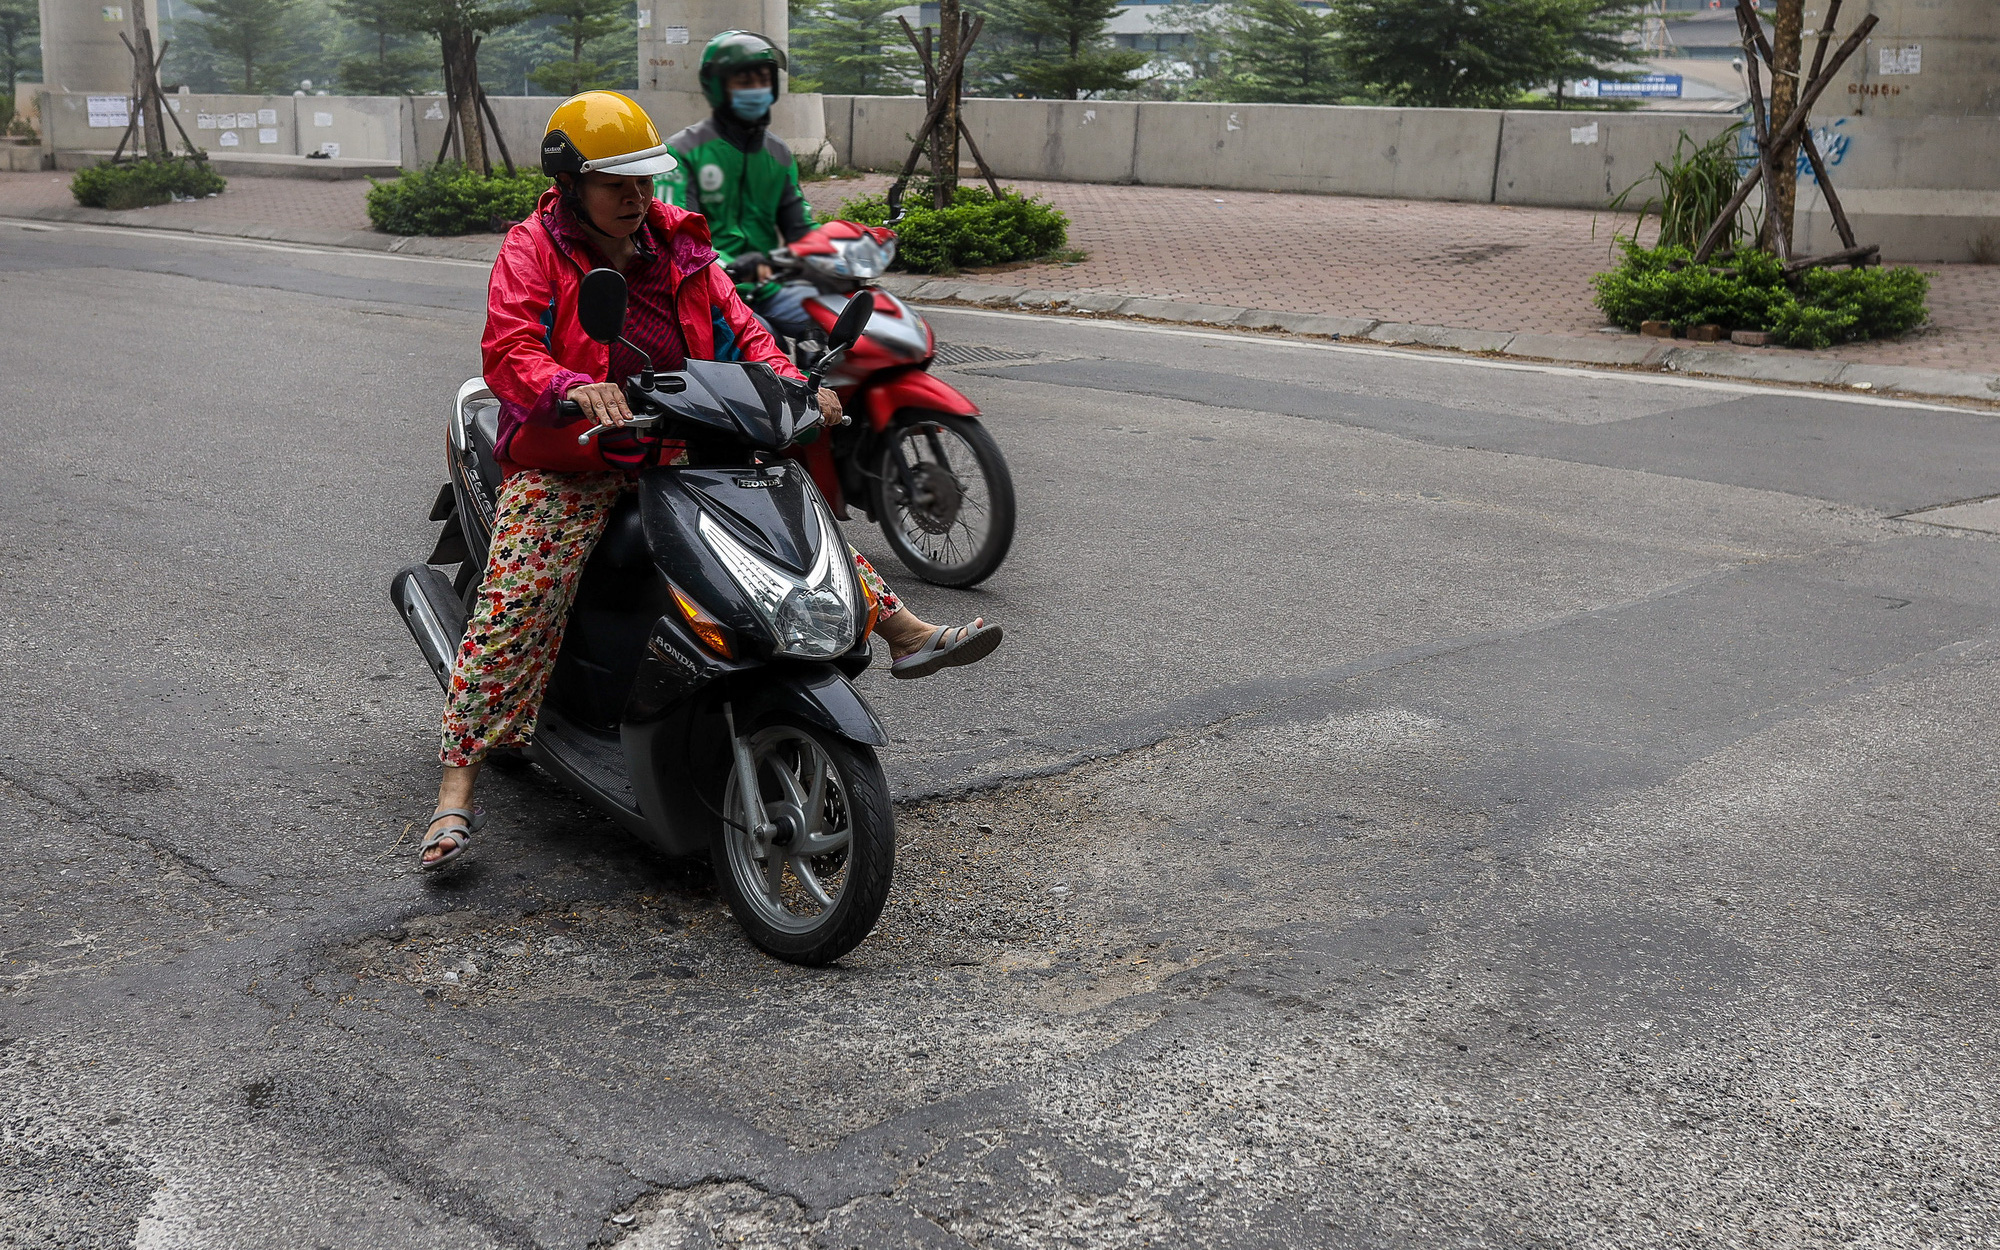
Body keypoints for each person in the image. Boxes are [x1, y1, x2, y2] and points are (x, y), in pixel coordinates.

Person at [420, 91, 1001, 870]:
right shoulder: (535, 248)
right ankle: (456, 790)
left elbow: (744, 328)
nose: (637, 198)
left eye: (644, 182)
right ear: (571, 187)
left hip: (684, 439)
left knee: (781, 531)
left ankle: (899, 631)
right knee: (519, 602)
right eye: (616, 185)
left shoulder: (680, 243)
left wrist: (795, 387)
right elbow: (510, 349)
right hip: (578, 454)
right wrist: (570, 385)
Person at [657, 30, 820, 341]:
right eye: (744, 82)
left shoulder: (778, 154)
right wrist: (732, 266)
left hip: (768, 286)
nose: (756, 89)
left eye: (763, 80)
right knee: (764, 338)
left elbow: (801, 227)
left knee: (838, 321)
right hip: (708, 292)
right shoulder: (683, 152)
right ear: (717, 87)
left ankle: (825, 389)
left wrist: (839, 249)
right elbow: (679, 239)